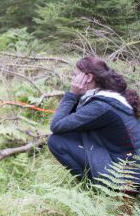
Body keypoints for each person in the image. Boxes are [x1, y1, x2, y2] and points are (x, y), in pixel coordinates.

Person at [48, 56, 140, 187]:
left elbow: (56, 125)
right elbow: (70, 123)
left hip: (128, 177)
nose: (72, 79)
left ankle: (95, 188)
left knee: (56, 141)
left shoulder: (101, 106)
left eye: (74, 75)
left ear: (89, 78)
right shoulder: (111, 96)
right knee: (69, 135)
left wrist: (72, 94)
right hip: (132, 168)